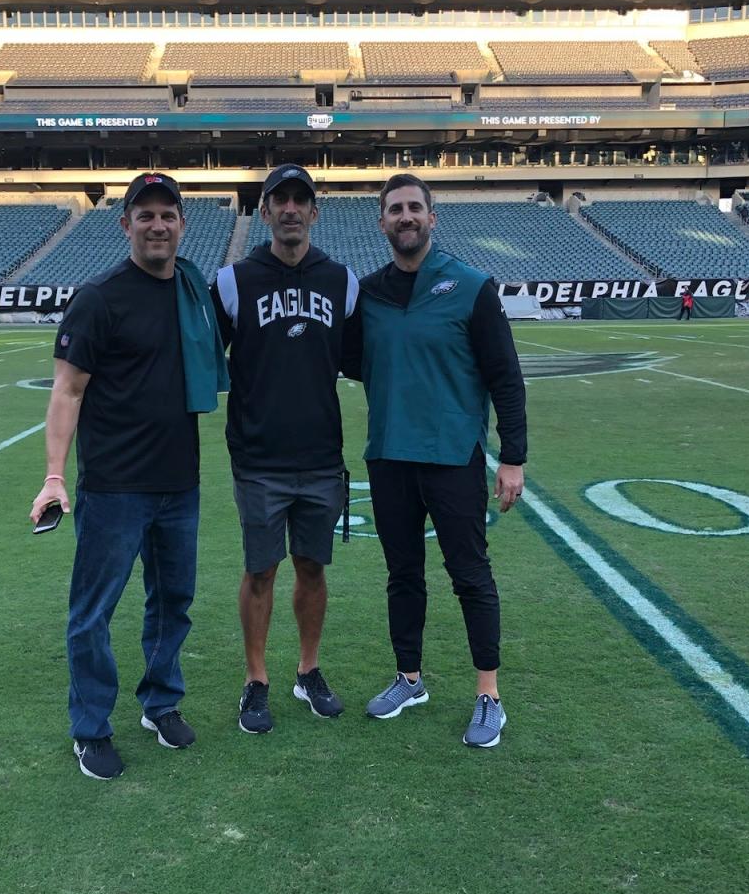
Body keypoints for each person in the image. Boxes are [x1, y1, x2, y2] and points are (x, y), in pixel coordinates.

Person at [29, 173, 228, 780]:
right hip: (113, 486)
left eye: (168, 214)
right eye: (145, 216)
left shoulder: (193, 292)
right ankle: (90, 728)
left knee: (173, 601)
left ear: (182, 225)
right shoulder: (100, 297)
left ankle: (160, 702)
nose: (158, 225)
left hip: (179, 482)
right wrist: (55, 476)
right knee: (93, 612)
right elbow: (67, 391)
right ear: (126, 226)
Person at [345, 173, 527, 749]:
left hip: (452, 456)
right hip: (389, 456)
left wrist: (513, 458)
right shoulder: (367, 295)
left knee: (470, 576)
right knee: (403, 576)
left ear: (432, 217)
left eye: (414, 208)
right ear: (381, 222)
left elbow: (505, 377)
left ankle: (489, 695)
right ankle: (410, 678)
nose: (405, 217)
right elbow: (347, 360)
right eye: (395, 209)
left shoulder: (472, 286)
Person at [211, 165, 359, 735]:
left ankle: (308, 668)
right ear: (265, 212)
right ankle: (256, 678)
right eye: (281, 200)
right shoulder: (232, 282)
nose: (291, 209)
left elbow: (364, 359)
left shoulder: (342, 282)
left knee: (313, 568)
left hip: (322, 456)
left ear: (315, 212)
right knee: (260, 571)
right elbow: (202, 359)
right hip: (258, 457)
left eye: (301, 200)